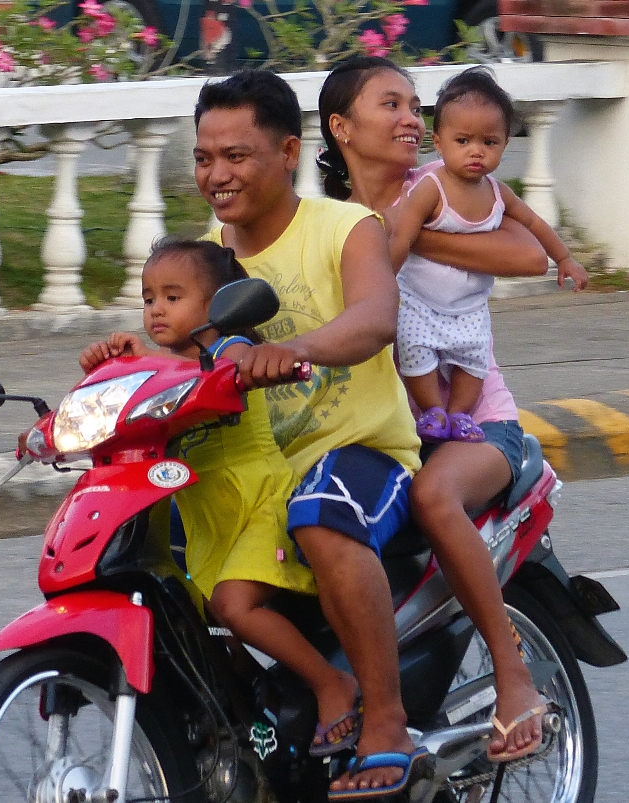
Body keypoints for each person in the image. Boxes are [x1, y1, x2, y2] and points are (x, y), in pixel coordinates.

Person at [317, 57, 587, 773]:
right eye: (393, 104)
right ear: (341, 128)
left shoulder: (435, 188)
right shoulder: (318, 217)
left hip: (477, 422)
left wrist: (403, 235)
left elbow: (529, 253)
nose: (413, 119)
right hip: (377, 428)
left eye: (414, 104)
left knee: (438, 497)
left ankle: (511, 671)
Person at [192, 70, 427, 797]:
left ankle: (384, 720)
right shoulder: (207, 248)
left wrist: (296, 350)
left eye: (237, 155)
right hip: (266, 464)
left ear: (289, 151)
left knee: (322, 516)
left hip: (363, 453)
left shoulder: (345, 227)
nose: (217, 174)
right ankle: (238, 714)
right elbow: (186, 344)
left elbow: (374, 317)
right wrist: (118, 363)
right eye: (204, 157)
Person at [78, 239, 364, 758]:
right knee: (198, 623)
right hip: (208, 523)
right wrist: (110, 366)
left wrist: (252, 363)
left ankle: (330, 685)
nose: (156, 309)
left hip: (257, 505)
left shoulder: (226, 348)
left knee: (234, 606)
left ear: (217, 307)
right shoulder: (164, 367)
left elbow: (228, 364)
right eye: (147, 299)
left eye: (172, 296)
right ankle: (262, 700)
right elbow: (135, 397)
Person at [388, 67, 587, 445]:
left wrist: (565, 258)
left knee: (474, 362)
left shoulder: (498, 194)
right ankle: (432, 409)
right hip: (419, 301)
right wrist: (384, 277)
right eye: (463, 140)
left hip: (470, 307)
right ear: (440, 141)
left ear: (505, 143)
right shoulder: (431, 188)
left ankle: (460, 414)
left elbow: (537, 224)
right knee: (414, 352)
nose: (476, 151)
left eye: (489, 142)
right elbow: (403, 236)